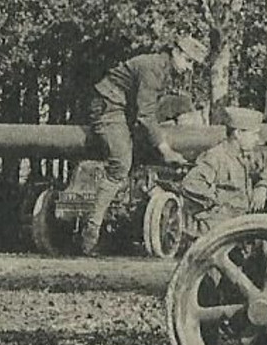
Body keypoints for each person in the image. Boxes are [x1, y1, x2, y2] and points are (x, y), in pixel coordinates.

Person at [81, 35, 208, 256]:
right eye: (188, 61)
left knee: (183, 102)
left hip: (124, 108)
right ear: (176, 52)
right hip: (109, 107)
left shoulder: (164, 69)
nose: (189, 69)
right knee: (121, 163)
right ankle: (91, 231)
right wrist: (165, 149)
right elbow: (146, 116)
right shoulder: (153, 68)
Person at [180, 106, 267, 237]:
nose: (257, 139)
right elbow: (191, 184)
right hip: (217, 231)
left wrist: (263, 186)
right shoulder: (216, 157)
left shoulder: (247, 154)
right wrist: (221, 204)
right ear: (238, 134)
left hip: (240, 225)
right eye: (254, 133)